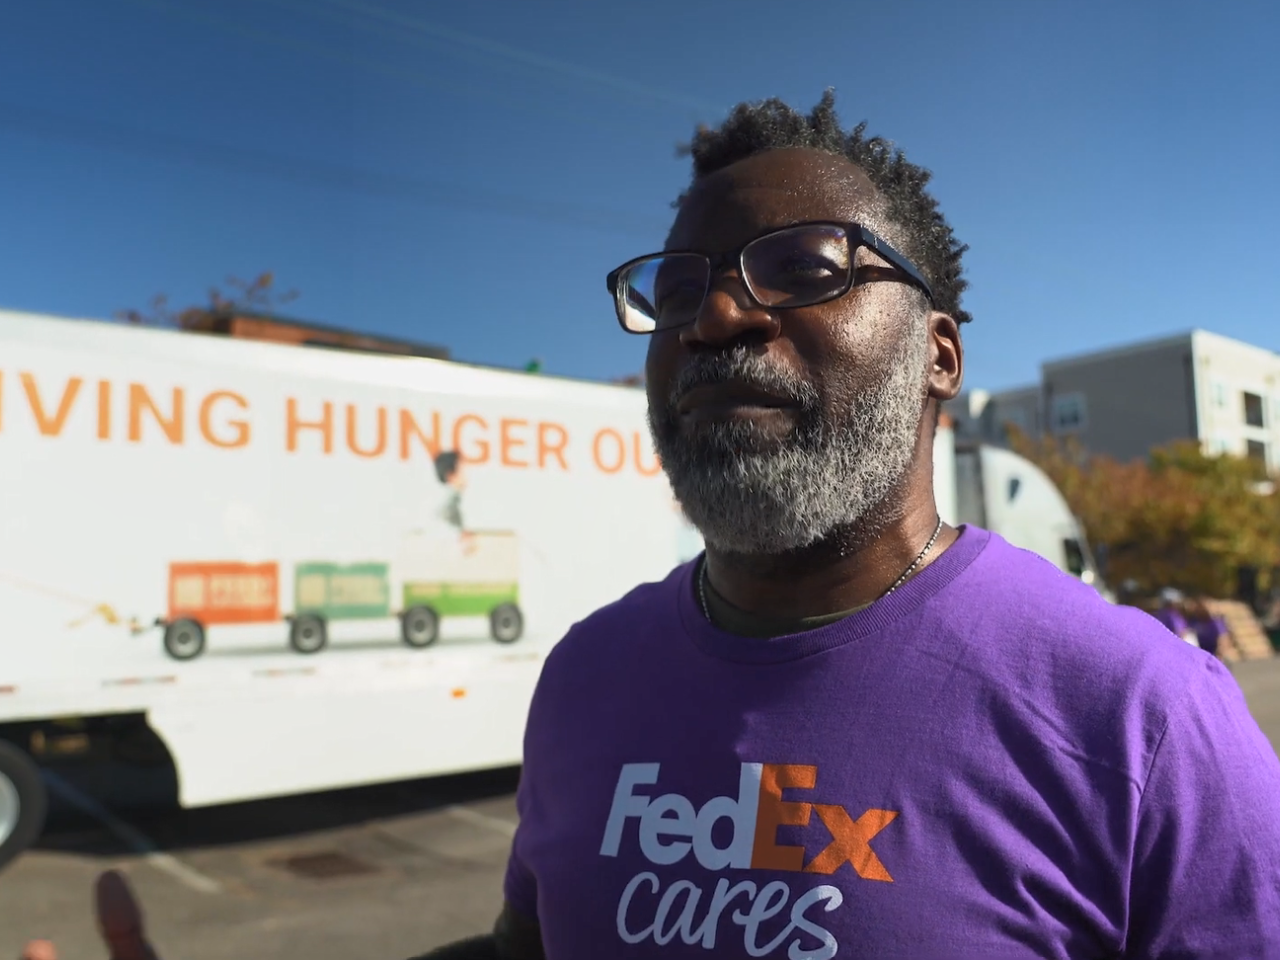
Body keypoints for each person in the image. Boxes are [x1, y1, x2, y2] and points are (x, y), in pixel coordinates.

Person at [27, 92, 1280, 959]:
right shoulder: (586, 674)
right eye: (678, 287)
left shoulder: (1143, 720)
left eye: (805, 268)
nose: (714, 318)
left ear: (939, 353)